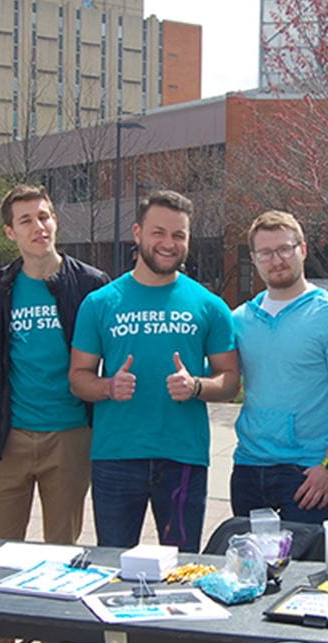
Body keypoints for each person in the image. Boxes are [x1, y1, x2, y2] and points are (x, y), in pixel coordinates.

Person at [69, 190, 239, 551]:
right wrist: (108, 387)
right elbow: (78, 377)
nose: (168, 243)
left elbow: (230, 380)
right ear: (138, 233)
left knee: (180, 567)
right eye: (158, 232)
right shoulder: (100, 303)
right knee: (113, 564)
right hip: (115, 456)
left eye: (179, 235)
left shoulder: (210, 305)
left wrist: (195, 386)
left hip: (182, 458)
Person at [0, 184, 109, 544]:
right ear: (10, 231)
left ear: (55, 221)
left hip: (70, 435)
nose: (39, 227)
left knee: (62, 554)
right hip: (7, 438)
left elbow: (107, 361)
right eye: (26, 220)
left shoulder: (90, 285)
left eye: (44, 217)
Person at [230, 210, 328, 523]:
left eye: (284, 249)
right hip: (248, 469)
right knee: (248, 570)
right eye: (265, 252)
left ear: (302, 250)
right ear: (254, 258)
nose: (276, 260)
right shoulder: (240, 320)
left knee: (301, 572)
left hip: (308, 474)